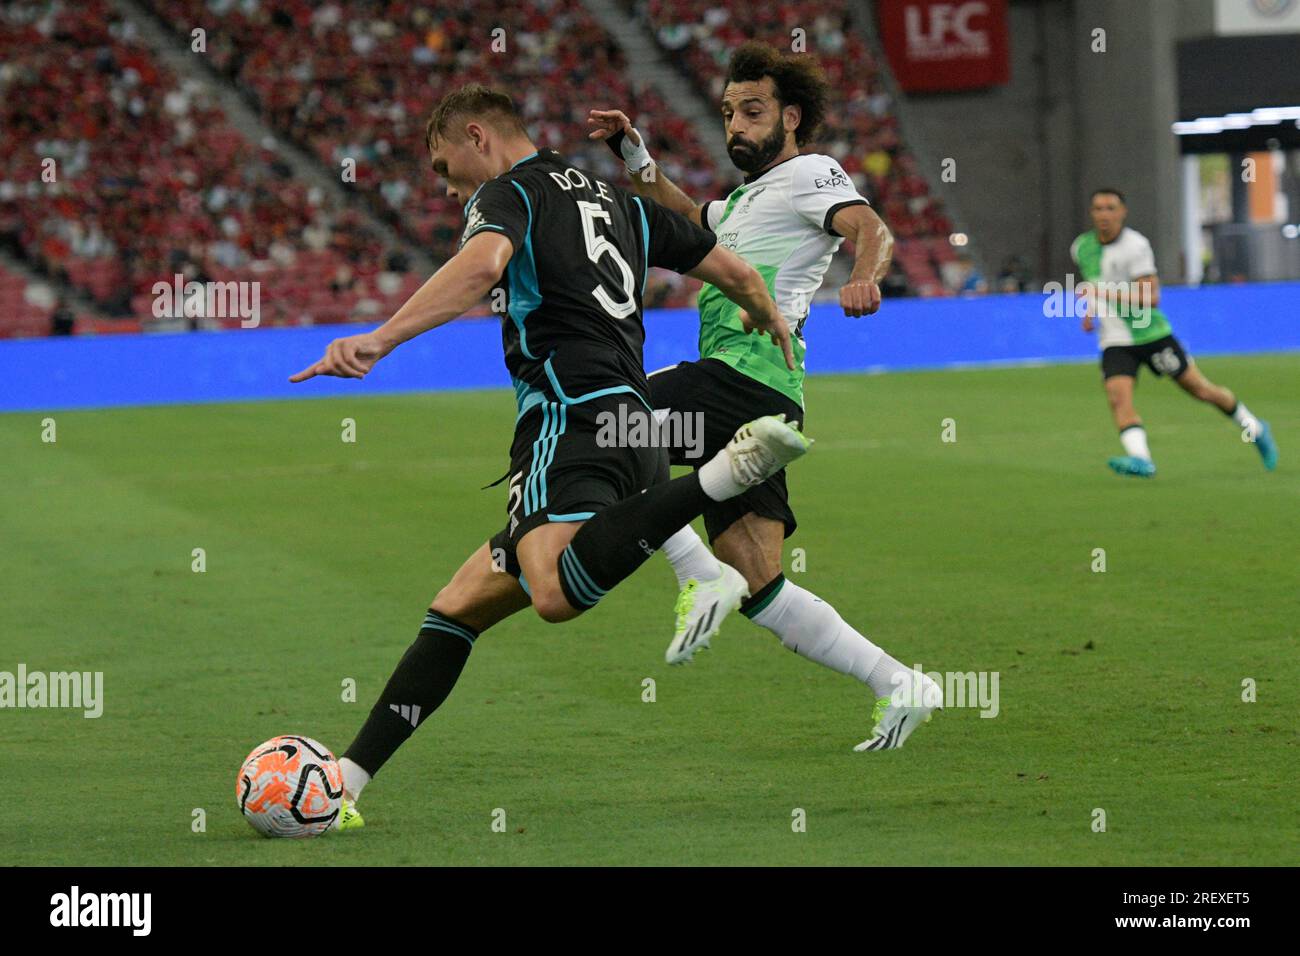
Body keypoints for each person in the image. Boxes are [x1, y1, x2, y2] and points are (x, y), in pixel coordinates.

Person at [289, 84, 810, 828]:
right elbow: (736, 272)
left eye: (444, 167)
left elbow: (480, 268)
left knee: (554, 594)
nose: (447, 186)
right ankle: (346, 781)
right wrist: (769, 321)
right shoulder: (619, 202)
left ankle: (726, 473)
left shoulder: (510, 194)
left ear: (477, 136)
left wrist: (380, 338)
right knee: (458, 605)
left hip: (567, 419)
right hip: (636, 428)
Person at [588, 41, 939, 752]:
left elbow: (870, 226)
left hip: (740, 383)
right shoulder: (746, 201)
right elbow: (688, 219)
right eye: (727, 113)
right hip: (762, 400)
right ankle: (900, 682)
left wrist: (865, 274)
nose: (736, 126)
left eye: (752, 112)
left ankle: (696, 576)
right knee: (760, 584)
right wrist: (635, 157)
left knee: (602, 425)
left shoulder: (810, 173)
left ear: (791, 116)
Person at [1071, 188, 1277, 477]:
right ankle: (1142, 460)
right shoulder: (1082, 247)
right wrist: (1089, 311)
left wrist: (1103, 293)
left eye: (1110, 208)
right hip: (1114, 338)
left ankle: (1254, 427)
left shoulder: (1135, 246)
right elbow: (1094, 282)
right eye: (1098, 209)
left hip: (1151, 335)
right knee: (1117, 397)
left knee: (1201, 390)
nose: (1104, 215)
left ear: (1123, 212)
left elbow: (1150, 298)